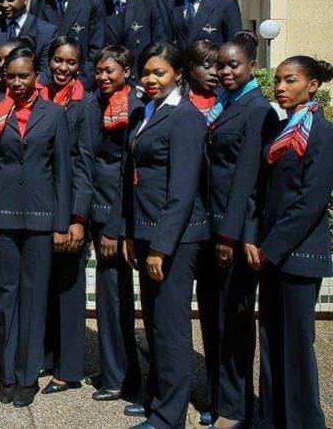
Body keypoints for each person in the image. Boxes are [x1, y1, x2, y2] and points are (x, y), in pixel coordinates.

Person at [0, 44, 71, 408]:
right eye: (11, 76)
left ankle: (28, 376)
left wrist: (62, 223)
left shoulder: (54, 114)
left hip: (42, 219)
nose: (16, 82)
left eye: (24, 76)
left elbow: (63, 171)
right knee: (5, 297)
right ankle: (9, 373)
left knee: (34, 298)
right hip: (1, 217)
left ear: (36, 77)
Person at [122, 43, 209, 429]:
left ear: (178, 74)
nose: (151, 79)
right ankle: (157, 395)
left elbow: (183, 189)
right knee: (155, 320)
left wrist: (160, 245)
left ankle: (170, 415)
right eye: (146, 73)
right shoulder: (147, 112)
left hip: (174, 237)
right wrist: (131, 234)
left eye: (159, 72)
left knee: (171, 326)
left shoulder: (186, 117)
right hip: (145, 231)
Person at [245, 56, 333, 429]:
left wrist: (270, 246)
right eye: (278, 80)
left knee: (297, 346)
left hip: (299, 254)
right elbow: (263, 193)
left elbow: (311, 201)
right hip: (271, 253)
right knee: (271, 338)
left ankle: (304, 421)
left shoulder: (323, 133)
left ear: (312, 85)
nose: (280, 87)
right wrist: (254, 241)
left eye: (290, 80)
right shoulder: (282, 130)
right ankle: (273, 417)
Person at [199, 33, 279, 428]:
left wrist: (231, 236)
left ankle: (237, 407)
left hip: (233, 231)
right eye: (220, 65)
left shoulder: (256, 108)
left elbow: (247, 178)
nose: (225, 72)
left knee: (234, 322)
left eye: (234, 65)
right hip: (211, 228)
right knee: (213, 318)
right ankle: (217, 397)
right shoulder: (223, 104)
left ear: (251, 66)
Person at [38, 38, 100, 396]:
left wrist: (77, 217)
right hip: (43, 205)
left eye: (70, 63)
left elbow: (85, 164)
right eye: (57, 61)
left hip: (71, 208)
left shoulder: (85, 104)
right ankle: (48, 355)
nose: (63, 68)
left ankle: (70, 367)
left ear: (79, 66)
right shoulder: (41, 97)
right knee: (48, 286)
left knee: (69, 289)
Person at [89, 46, 143, 402]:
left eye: (111, 71)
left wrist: (114, 228)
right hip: (95, 209)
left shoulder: (135, 108)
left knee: (115, 299)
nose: (104, 76)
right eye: (99, 70)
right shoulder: (95, 103)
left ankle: (124, 378)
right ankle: (112, 369)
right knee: (108, 300)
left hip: (116, 217)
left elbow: (128, 173)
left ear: (126, 70)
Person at [29, 0, 105, 87]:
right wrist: (45, 81)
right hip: (48, 83)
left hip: (82, 83)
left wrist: (81, 83)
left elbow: (96, 49)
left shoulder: (93, 2)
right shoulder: (38, 4)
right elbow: (36, 47)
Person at [187, 40, 220, 117]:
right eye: (207, 66)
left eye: (218, 67)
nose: (214, 72)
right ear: (191, 66)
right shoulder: (178, 101)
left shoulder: (222, 99)